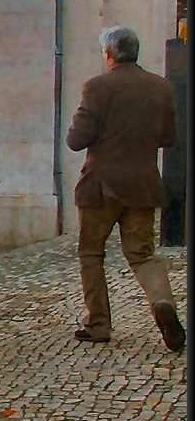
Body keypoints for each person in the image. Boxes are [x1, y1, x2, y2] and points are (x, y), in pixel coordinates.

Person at [66, 25, 184, 351]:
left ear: (108, 54)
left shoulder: (97, 87)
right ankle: (163, 303)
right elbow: (169, 137)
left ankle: (98, 323)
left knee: (91, 253)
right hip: (144, 185)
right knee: (143, 255)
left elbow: (76, 140)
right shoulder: (161, 88)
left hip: (101, 187)